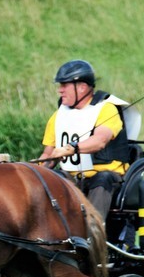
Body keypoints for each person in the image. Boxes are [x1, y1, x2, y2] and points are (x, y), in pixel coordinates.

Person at [39, 59, 132, 220]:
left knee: (102, 179)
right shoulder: (59, 115)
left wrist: (70, 148)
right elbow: (48, 154)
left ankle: (93, 230)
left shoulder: (106, 109)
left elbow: (100, 140)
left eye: (64, 85)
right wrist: (34, 171)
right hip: (72, 177)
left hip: (105, 177)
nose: (60, 91)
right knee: (52, 179)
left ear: (82, 87)